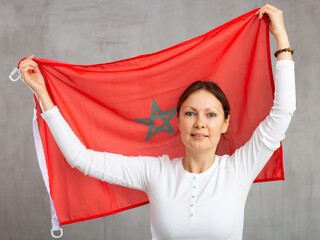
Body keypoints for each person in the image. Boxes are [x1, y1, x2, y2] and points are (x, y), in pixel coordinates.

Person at [19, 4, 295, 240]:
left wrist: (282, 41)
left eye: (211, 115)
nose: (200, 122)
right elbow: (81, 158)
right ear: (177, 121)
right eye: (190, 113)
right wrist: (43, 93)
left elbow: (282, 112)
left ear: (225, 123)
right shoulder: (155, 172)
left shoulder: (238, 169)